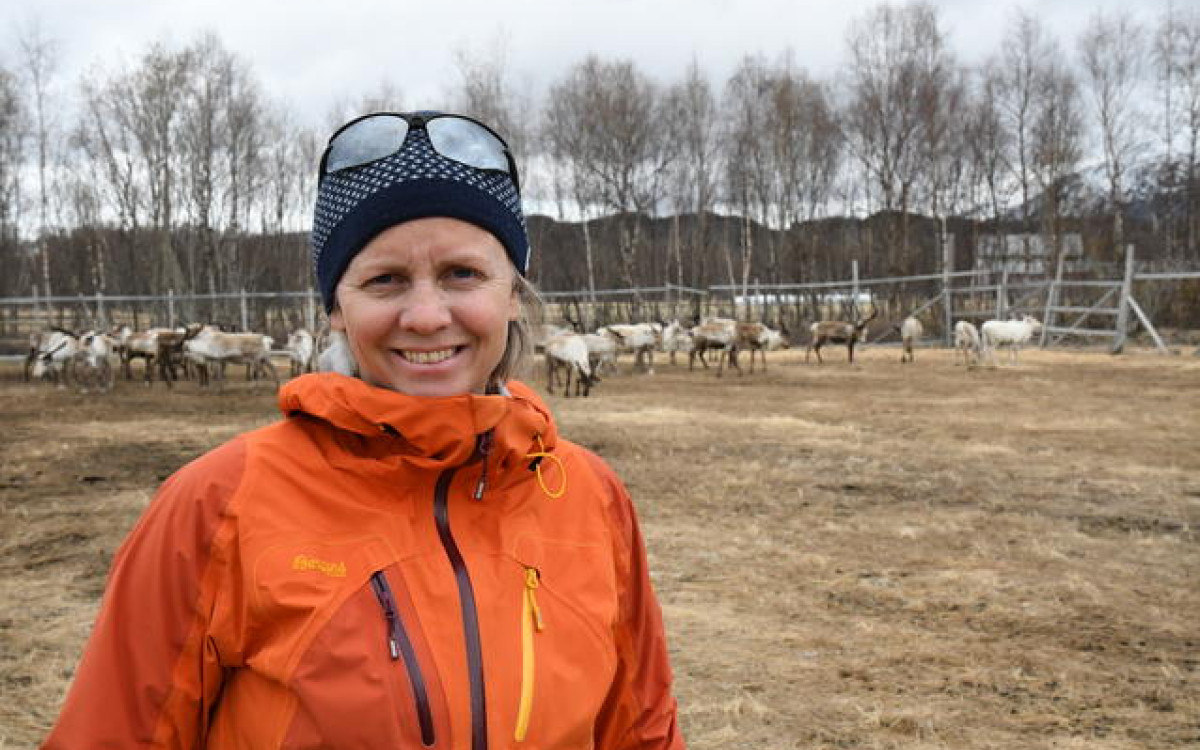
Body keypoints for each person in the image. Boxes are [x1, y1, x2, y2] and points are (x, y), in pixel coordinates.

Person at [42, 111, 685, 749]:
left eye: (463, 273)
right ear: (335, 311)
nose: (428, 316)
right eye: (385, 280)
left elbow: (642, 730)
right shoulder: (215, 506)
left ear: (512, 295)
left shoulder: (590, 497)